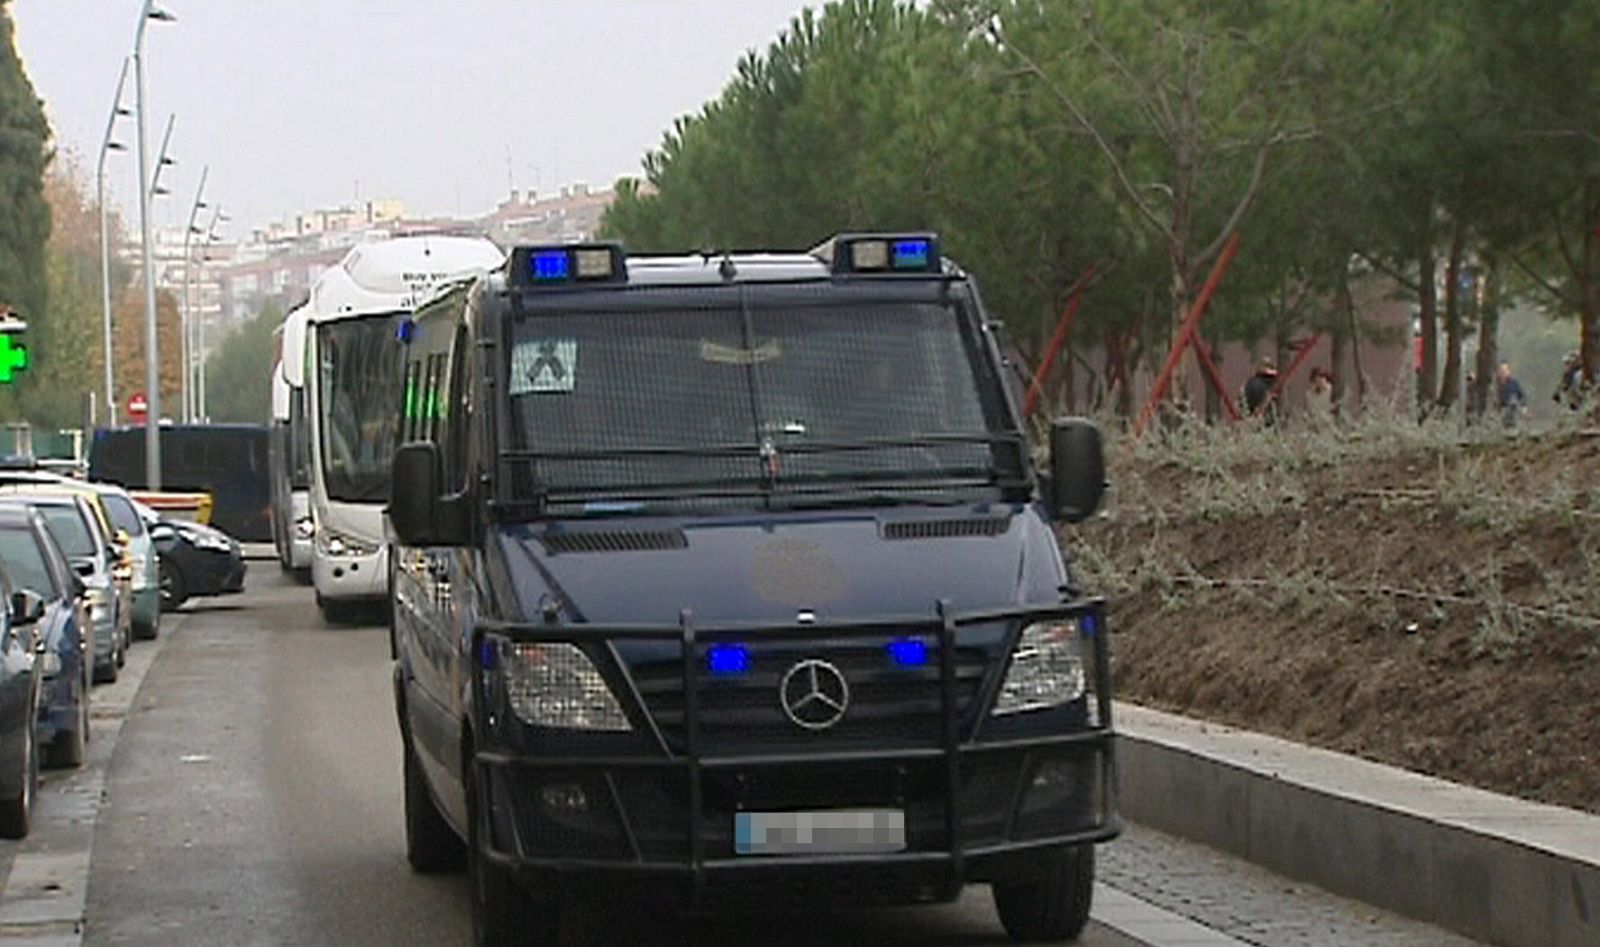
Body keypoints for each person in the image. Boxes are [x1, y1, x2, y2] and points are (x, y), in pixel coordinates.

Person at [1494, 361, 1528, 428]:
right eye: (1501, 370)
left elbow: (1522, 396)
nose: (1503, 372)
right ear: (1498, 372)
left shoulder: (1514, 383)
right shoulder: (1494, 385)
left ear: (1509, 371)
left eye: (1505, 370)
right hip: (1498, 415)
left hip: (1513, 413)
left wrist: (1524, 408)